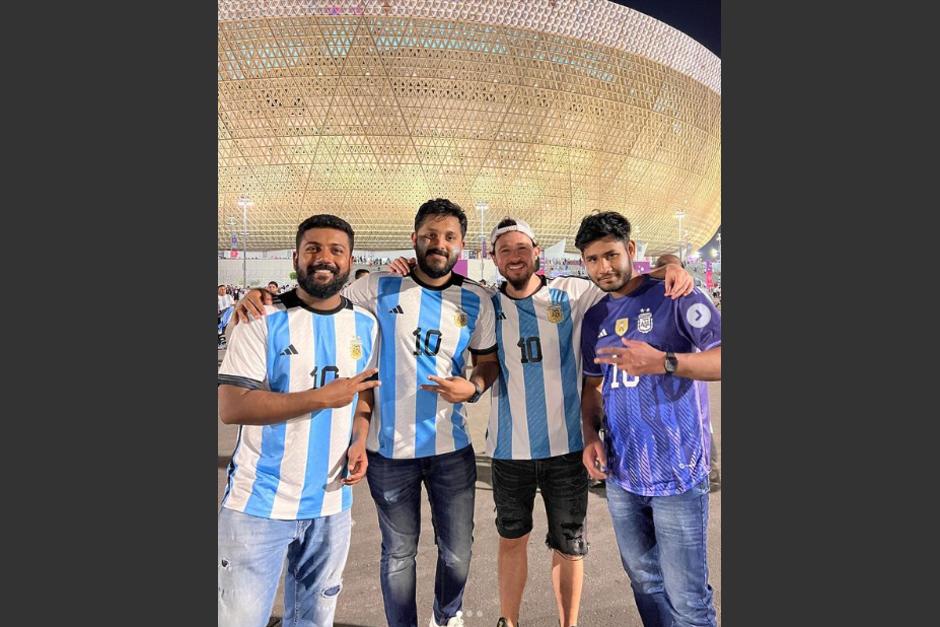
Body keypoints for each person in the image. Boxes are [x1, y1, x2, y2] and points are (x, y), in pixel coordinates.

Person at [387, 218, 693, 627]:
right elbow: (435, 288)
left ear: (536, 251)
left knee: (570, 546)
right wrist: (407, 268)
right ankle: (508, 621)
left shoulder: (572, 292)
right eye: (505, 251)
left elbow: (619, 279)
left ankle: (568, 624)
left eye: (521, 248)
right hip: (508, 450)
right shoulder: (486, 303)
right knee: (511, 539)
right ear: (493, 259)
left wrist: (671, 264)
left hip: (567, 449)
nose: (514, 257)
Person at [235, 199, 500, 627]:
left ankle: (446, 616)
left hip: (452, 450)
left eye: (449, 237)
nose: (439, 244)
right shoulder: (376, 286)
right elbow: (316, 293)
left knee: (457, 552)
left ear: (463, 246)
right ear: (414, 239)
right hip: (387, 452)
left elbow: (487, 363)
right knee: (398, 554)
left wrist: (472, 387)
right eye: (430, 235)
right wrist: (262, 297)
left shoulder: (477, 300)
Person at [217, 214, 381, 627]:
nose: (323, 258)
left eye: (335, 250)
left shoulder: (365, 325)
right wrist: (322, 398)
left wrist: (360, 437)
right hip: (259, 505)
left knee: (313, 619)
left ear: (349, 259)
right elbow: (232, 406)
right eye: (313, 249)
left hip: (331, 504)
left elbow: (363, 393)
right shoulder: (260, 319)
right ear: (296, 257)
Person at [577, 211, 721, 627]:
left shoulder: (676, 294)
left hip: (677, 472)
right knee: (644, 582)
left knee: (688, 598)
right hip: (623, 477)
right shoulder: (595, 318)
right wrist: (590, 435)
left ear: (631, 251)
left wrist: (665, 362)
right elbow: (593, 388)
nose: (604, 267)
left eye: (611, 255)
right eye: (592, 259)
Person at [653, 254, 721, 493]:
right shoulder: (652, 298)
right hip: (674, 396)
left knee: (699, 428)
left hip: (690, 390)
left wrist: (666, 362)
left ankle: (709, 471)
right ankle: (710, 471)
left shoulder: (689, 294)